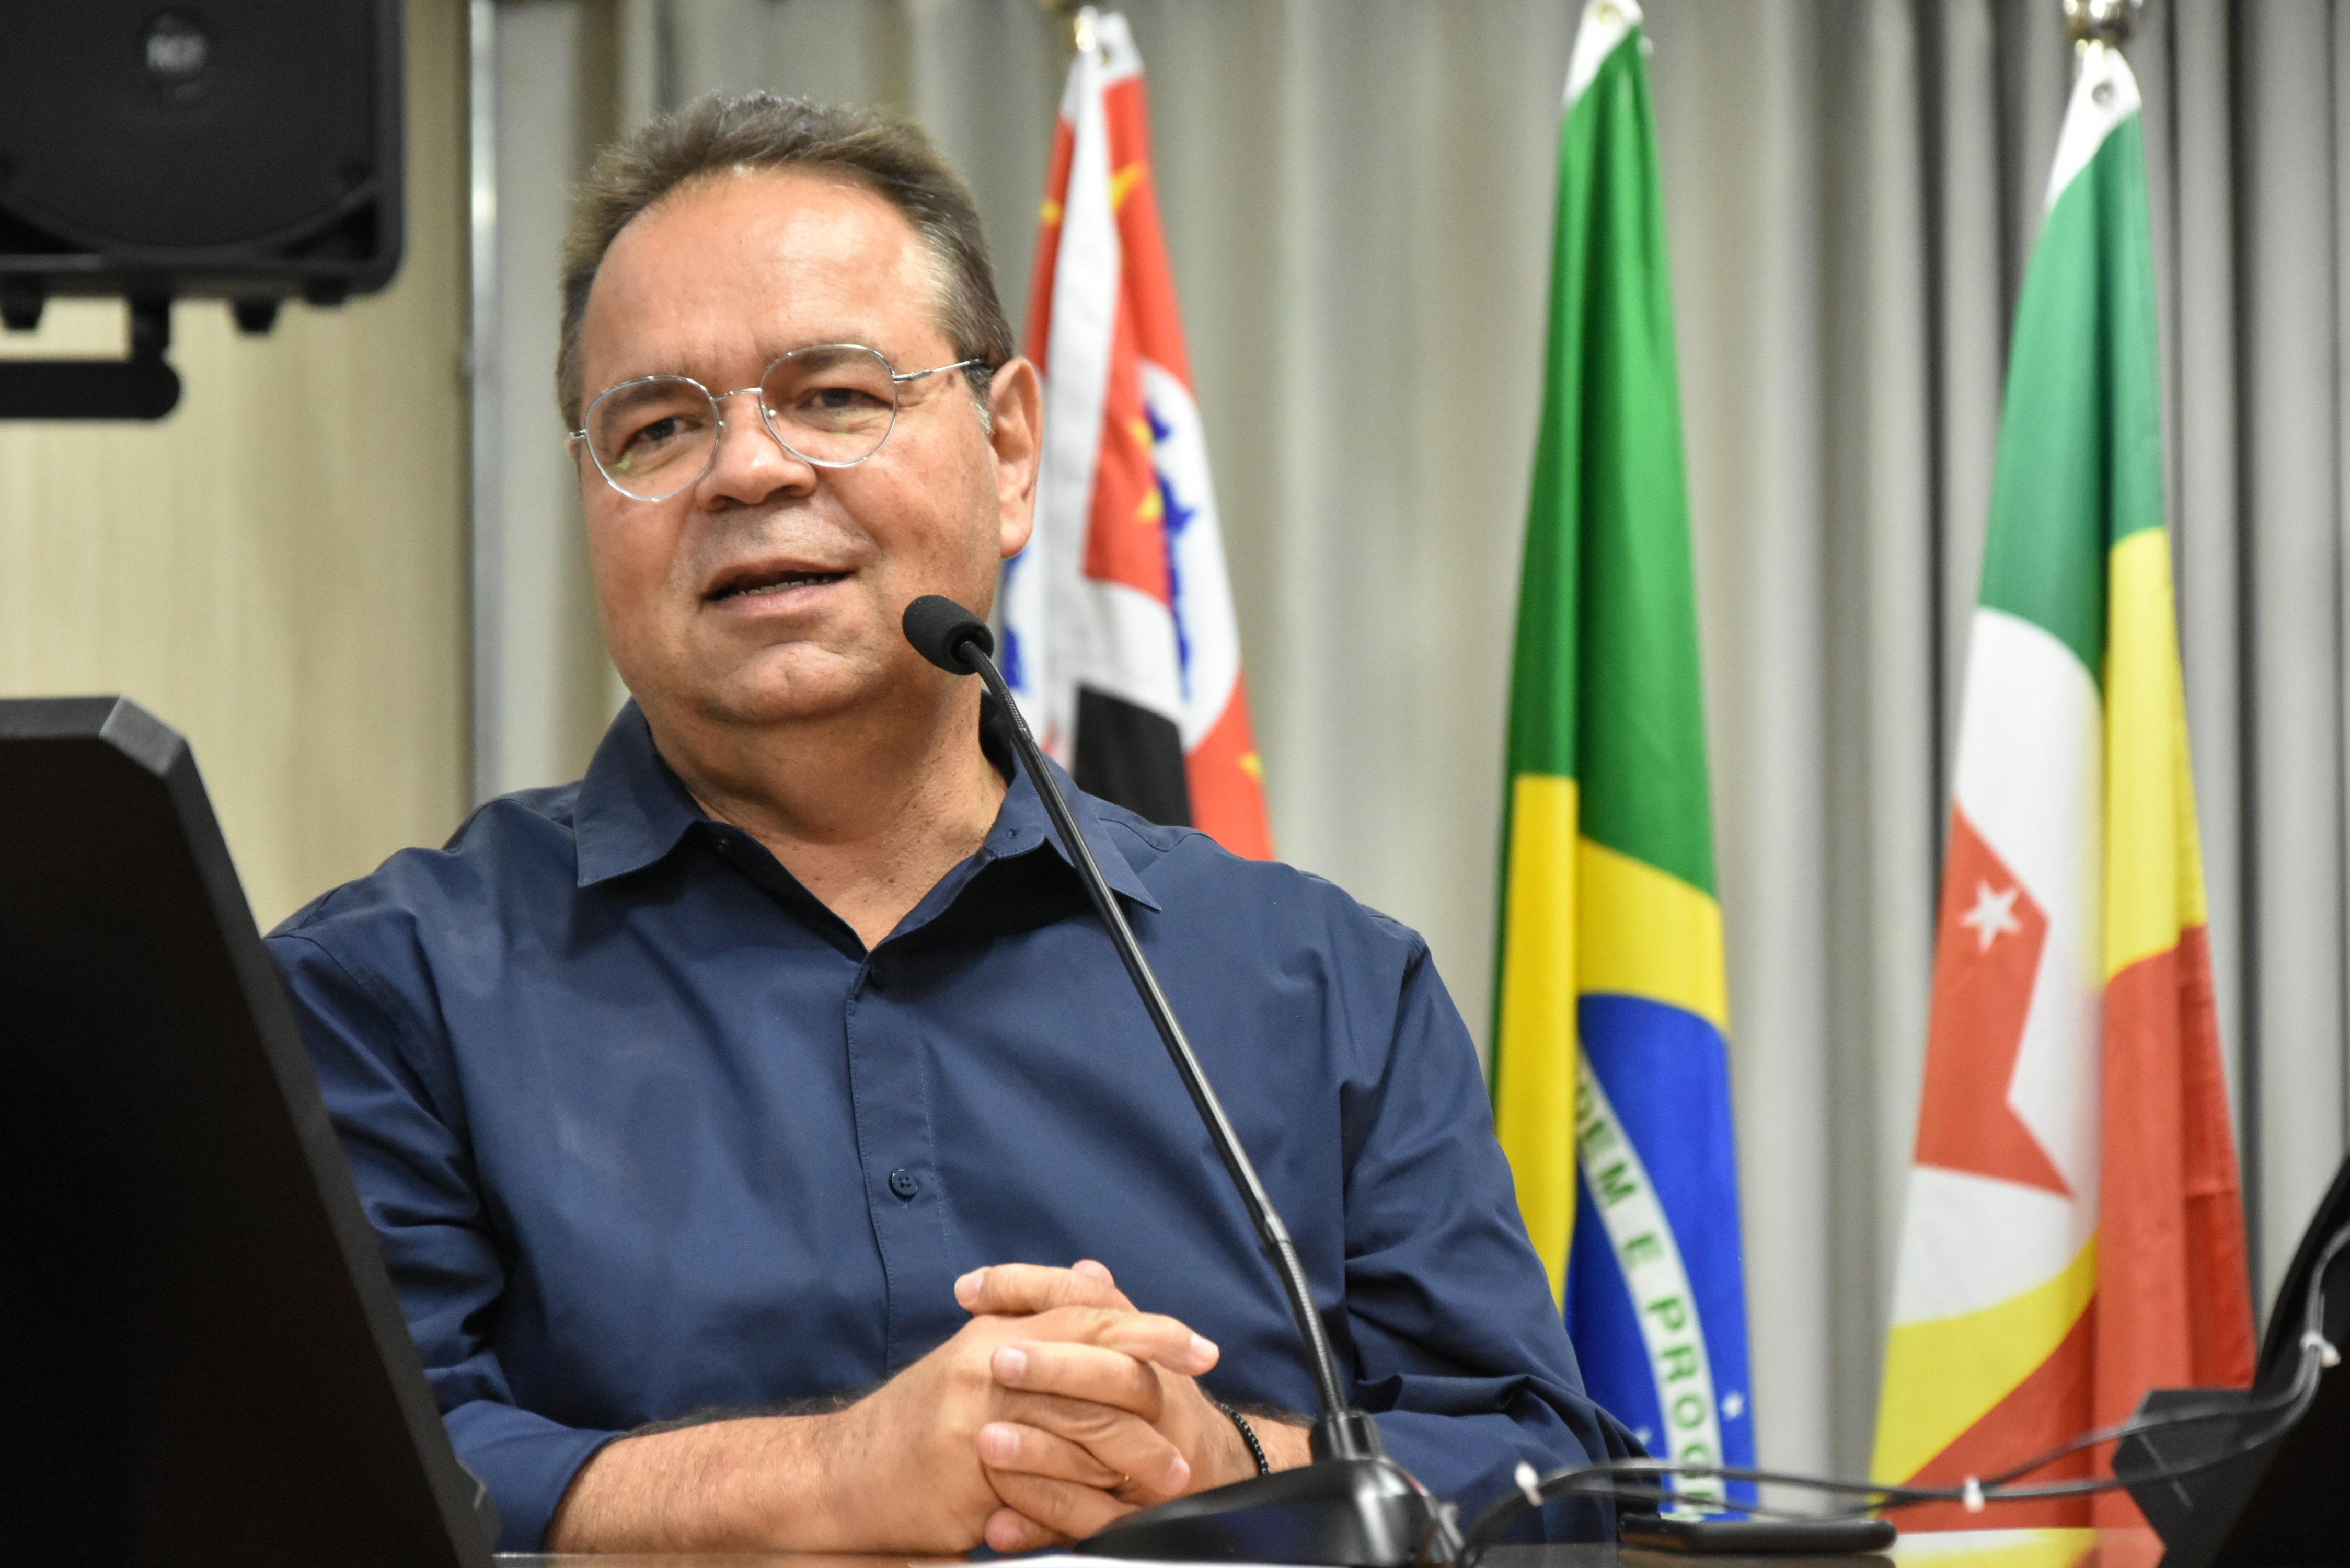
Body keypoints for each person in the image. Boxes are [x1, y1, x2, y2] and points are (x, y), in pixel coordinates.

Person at [269, 92, 1636, 1556]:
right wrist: (830, 1482)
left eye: (834, 396)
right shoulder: (383, 994)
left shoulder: (1325, 988)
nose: (749, 470)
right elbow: (336, 1480)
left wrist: (1224, 1462)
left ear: (1013, 449)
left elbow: (1552, 1493)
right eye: (657, 428)